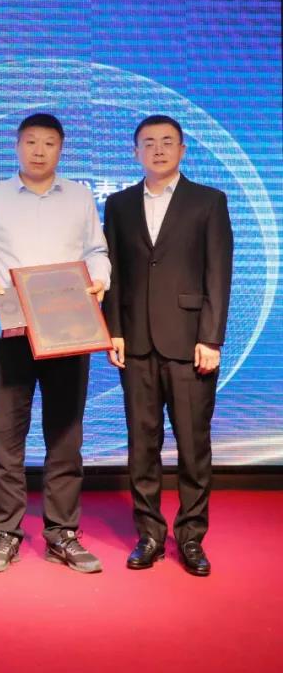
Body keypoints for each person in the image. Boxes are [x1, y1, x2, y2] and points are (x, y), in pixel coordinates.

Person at [0, 113, 110, 574]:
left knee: (65, 433)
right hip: (11, 326)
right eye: (31, 142)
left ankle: (62, 532)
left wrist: (100, 280)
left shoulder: (80, 197)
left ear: (61, 148)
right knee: (6, 435)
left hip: (68, 327)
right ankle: (5, 532)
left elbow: (97, 252)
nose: (39, 150)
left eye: (49, 143)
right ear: (17, 146)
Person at [103, 115, 232, 576]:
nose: (158, 150)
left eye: (167, 142)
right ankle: (150, 535)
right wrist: (114, 330)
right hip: (136, 342)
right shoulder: (118, 204)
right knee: (143, 445)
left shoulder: (208, 201)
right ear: (135, 151)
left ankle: (192, 537)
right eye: (148, 143)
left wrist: (210, 337)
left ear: (182, 150)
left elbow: (218, 273)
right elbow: (113, 272)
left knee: (194, 446)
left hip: (190, 342)